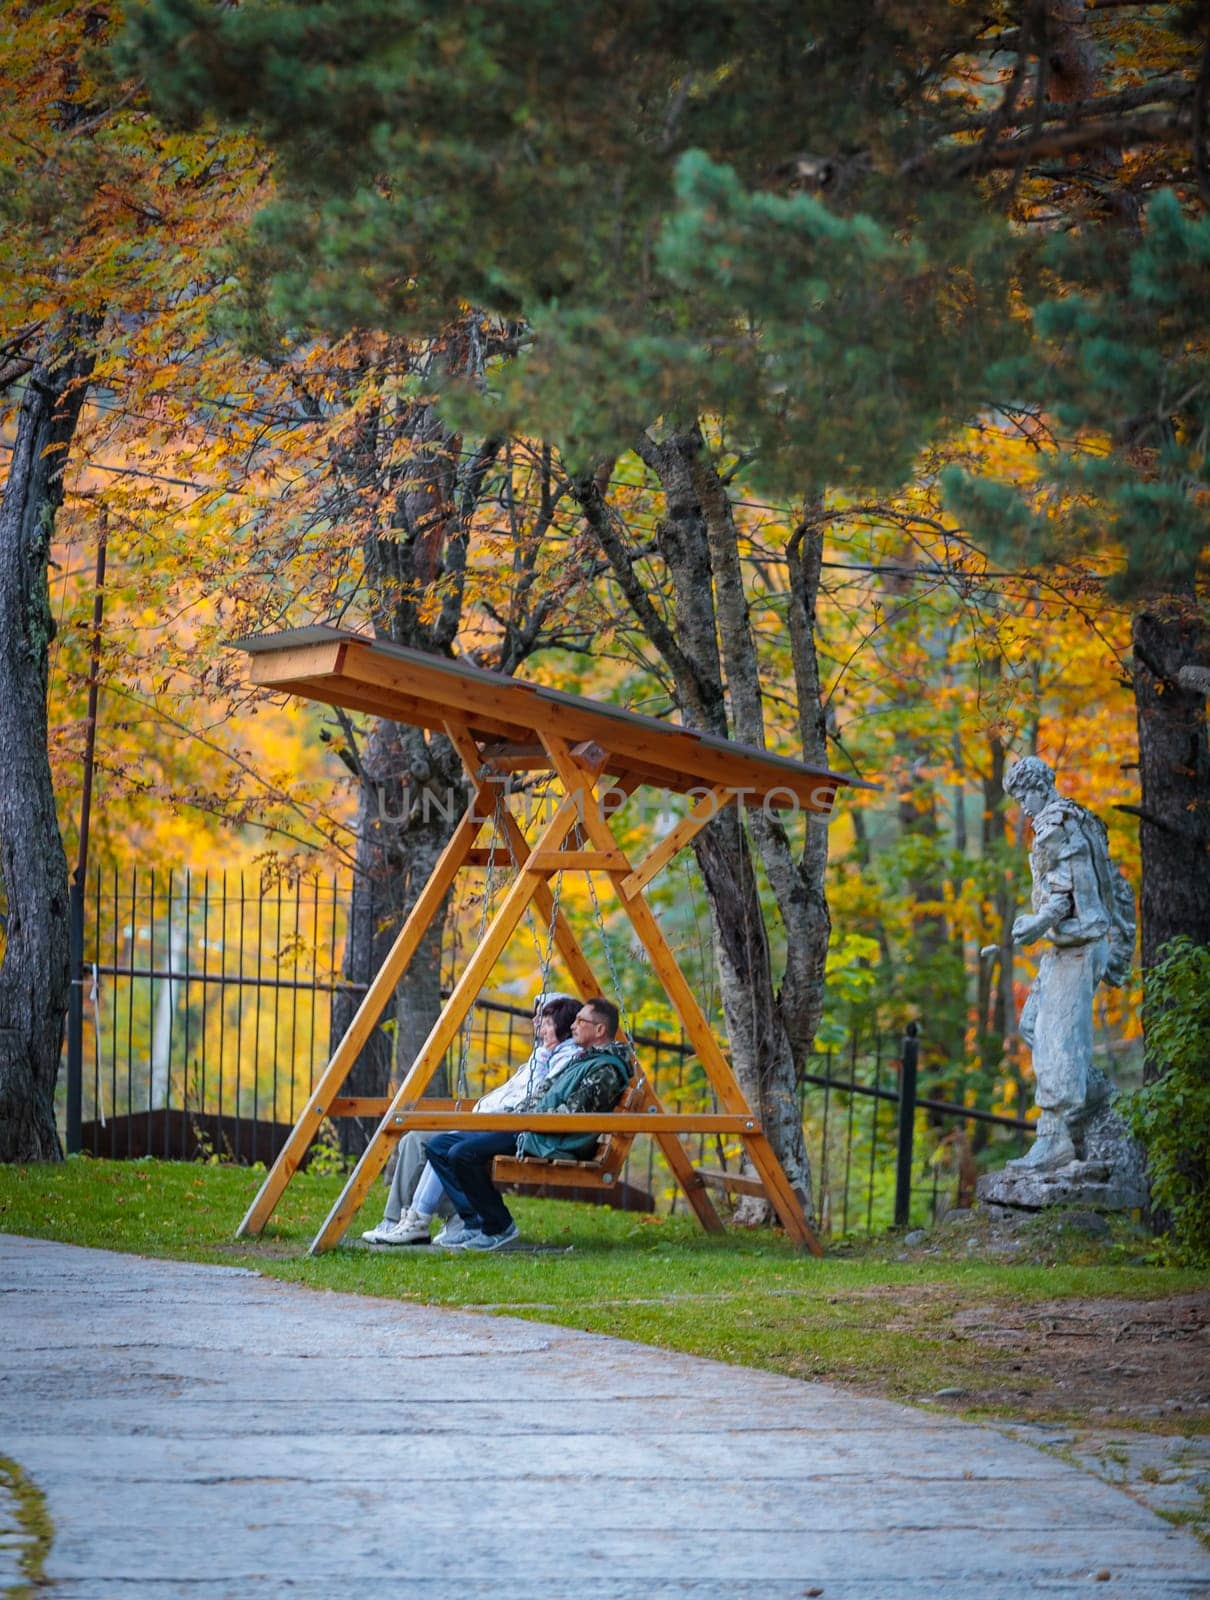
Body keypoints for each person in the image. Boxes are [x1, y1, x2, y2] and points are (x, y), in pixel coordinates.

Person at [989, 757, 1135, 1171]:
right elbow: (1117, 886)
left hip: (1078, 946)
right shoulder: (1083, 818)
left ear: (1040, 786)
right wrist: (1120, 949)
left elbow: (1064, 894)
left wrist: (1037, 924)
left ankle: (1055, 1138)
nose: (1023, 807)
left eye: (1024, 796)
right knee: (1034, 1025)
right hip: (1073, 946)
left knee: (1055, 1039)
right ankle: (1091, 1095)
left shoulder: (1055, 825)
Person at [361, 993, 580, 1247]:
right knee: (414, 1140)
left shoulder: (563, 1058)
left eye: (544, 1018)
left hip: (507, 1125)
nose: (536, 1022)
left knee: (444, 1145)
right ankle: (398, 1219)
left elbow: (536, 1100)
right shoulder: (540, 1055)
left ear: (561, 1025)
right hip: (489, 1119)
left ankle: (427, 1220)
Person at [424, 996, 633, 1252]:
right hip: (532, 1127)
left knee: (462, 1153)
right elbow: (543, 1094)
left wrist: (525, 1121)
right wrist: (512, 1114)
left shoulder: (605, 1070)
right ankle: (476, 1223)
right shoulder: (585, 1060)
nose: (573, 1026)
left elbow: (572, 1115)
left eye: (581, 1020)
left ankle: (499, 1227)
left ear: (600, 1030)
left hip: (552, 1139)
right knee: (439, 1145)